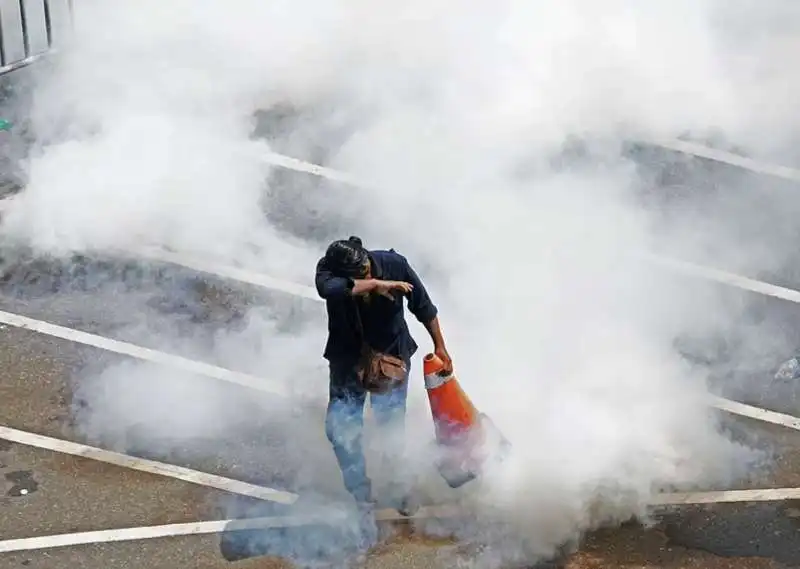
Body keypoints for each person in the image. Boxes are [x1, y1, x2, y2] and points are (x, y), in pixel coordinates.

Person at [314, 236, 451, 542]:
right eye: (359, 274)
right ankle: (361, 494)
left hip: (390, 359)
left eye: (366, 269)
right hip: (348, 363)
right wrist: (378, 285)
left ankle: (400, 488)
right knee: (339, 429)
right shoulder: (328, 271)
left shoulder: (394, 263)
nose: (365, 273)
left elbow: (424, 308)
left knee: (390, 428)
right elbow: (331, 290)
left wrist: (440, 347)